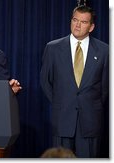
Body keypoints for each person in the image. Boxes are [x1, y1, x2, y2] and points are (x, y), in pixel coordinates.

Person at [40, 5, 108, 158]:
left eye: (83, 22)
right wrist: (62, 102)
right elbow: (46, 82)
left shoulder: (105, 51)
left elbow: (105, 88)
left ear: (91, 27)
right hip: (63, 118)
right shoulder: (53, 48)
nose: (77, 25)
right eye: (75, 20)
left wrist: (88, 104)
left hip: (90, 121)